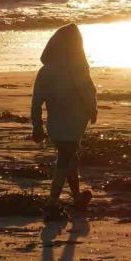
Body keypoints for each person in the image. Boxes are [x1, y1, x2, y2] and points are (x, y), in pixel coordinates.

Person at [31, 23, 97, 217]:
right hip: (74, 120)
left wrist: (37, 125)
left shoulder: (45, 71)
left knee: (69, 157)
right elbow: (87, 91)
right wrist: (92, 109)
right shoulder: (78, 69)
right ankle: (52, 201)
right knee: (66, 156)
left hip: (56, 123)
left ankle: (77, 198)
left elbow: (36, 102)